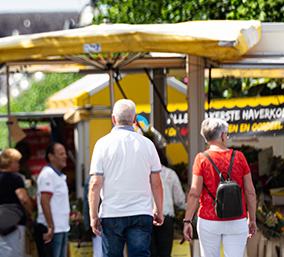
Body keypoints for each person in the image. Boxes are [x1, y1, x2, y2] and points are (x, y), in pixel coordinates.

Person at [88, 99, 164, 257]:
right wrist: (158, 210)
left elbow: (95, 183)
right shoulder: (148, 144)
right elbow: (156, 183)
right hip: (141, 213)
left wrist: (93, 215)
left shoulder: (101, 145)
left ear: (113, 119)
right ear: (135, 119)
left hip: (111, 213)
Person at [183, 118, 257, 256]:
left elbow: (194, 193)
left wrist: (187, 221)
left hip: (209, 219)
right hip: (237, 218)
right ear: (223, 136)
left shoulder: (201, 159)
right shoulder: (239, 157)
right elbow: (250, 192)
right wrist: (251, 219)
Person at [0, 148, 32, 257]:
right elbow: (24, 199)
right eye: (18, 162)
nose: (19, 165)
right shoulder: (16, 178)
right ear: (10, 162)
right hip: (15, 224)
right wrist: (31, 213)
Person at [35, 142, 70, 257]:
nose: (65, 156)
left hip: (62, 227)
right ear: (51, 157)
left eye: (65, 153)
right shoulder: (47, 175)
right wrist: (51, 226)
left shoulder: (58, 175)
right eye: (61, 154)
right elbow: (44, 202)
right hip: (53, 230)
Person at [150, 145, 186, 257]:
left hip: (146, 216)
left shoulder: (141, 174)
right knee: (165, 254)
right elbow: (180, 200)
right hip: (166, 217)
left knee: (149, 253)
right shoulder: (170, 174)